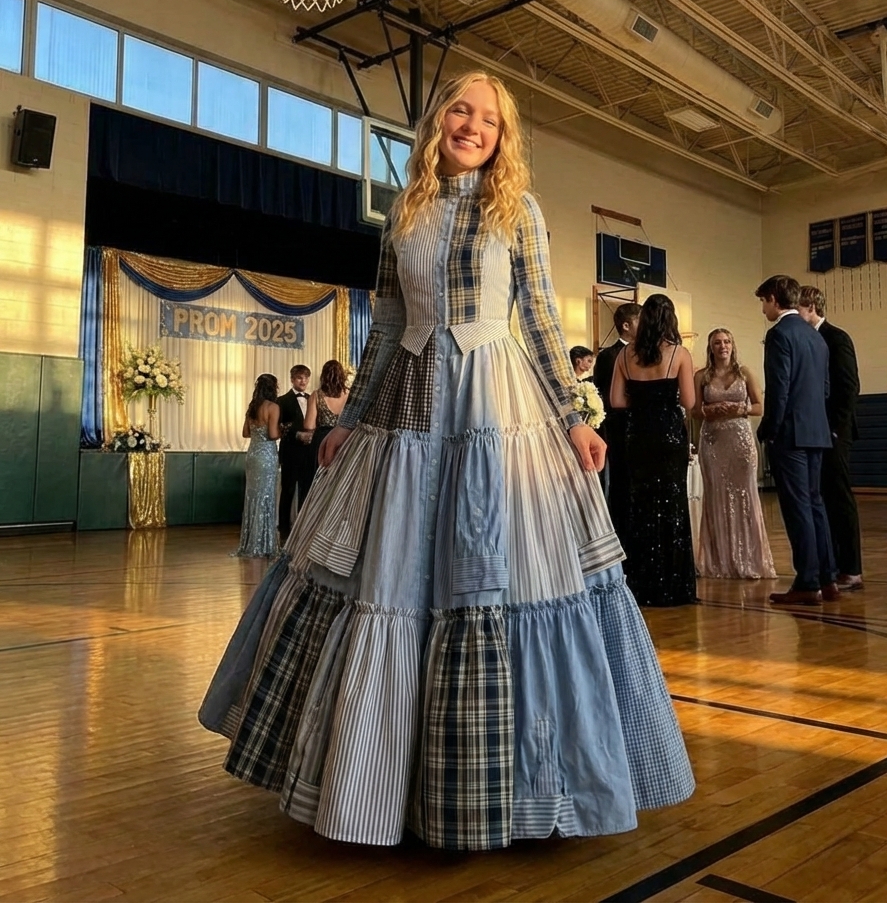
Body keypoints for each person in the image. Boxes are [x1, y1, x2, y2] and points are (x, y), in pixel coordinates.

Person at [200, 70, 693, 849]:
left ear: (502, 138)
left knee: (506, 572)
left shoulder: (519, 211)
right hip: (409, 403)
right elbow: (387, 321)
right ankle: (377, 789)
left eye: (488, 119)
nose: (472, 125)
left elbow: (535, 317)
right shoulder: (406, 212)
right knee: (392, 579)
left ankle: (531, 786)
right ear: (437, 122)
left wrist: (572, 416)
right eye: (460, 110)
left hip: (500, 406)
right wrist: (349, 418)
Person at [609, 293, 698, 606]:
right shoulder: (679, 354)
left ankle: (641, 581)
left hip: (639, 435)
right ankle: (673, 584)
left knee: (641, 506)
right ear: (671, 320)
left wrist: (642, 402)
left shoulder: (625, 356)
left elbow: (616, 402)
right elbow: (689, 402)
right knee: (672, 506)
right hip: (668, 434)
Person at [755, 275, 837, 606]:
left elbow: (779, 387)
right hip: (817, 430)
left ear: (774, 298)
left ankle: (807, 581)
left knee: (797, 507)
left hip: (791, 432)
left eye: (763, 301)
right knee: (816, 504)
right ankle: (828, 578)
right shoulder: (816, 338)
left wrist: (769, 429)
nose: (763, 309)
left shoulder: (780, 334)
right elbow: (826, 389)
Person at [694, 328, 775, 580]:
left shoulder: (744, 372)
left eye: (727, 341)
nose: (723, 346)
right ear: (711, 347)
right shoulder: (701, 376)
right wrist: (713, 409)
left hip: (741, 440)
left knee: (746, 494)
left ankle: (750, 559)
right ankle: (717, 561)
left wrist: (740, 407)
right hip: (713, 440)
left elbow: (760, 406)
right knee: (716, 496)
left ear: (733, 345)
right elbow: (694, 410)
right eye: (717, 342)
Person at [797, 287, 864, 589]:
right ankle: (832, 565)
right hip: (815, 430)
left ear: (810, 307)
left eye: (797, 307)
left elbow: (849, 387)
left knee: (838, 498)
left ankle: (852, 569)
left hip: (834, 432)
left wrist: (835, 429)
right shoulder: (809, 339)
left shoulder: (837, 338)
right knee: (821, 498)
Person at [592, 303, 642, 539]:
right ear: (626, 325)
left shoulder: (646, 353)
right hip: (618, 427)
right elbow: (602, 392)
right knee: (620, 482)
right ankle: (618, 531)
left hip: (643, 427)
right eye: (640, 321)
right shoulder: (608, 356)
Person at [233, 374, 281, 559]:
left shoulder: (252, 408)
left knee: (253, 497)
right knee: (267, 497)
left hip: (252, 455)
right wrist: (285, 430)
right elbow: (272, 434)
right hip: (267, 456)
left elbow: (245, 433)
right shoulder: (273, 407)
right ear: (273, 388)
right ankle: (264, 544)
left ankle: (250, 543)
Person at [276, 364, 313, 540]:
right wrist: (297, 434)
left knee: (307, 490)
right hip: (291, 452)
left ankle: (303, 527)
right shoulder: (282, 401)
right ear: (292, 379)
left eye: (306, 377)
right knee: (288, 490)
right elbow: (279, 426)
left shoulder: (313, 398)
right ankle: (283, 529)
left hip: (309, 452)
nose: (303, 381)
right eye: (299, 377)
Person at [305, 359, 350, 485]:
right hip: (344, 439)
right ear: (342, 376)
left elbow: (309, 425)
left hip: (322, 440)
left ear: (323, 376)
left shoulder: (317, 395)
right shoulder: (349, 395)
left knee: (319, 482)